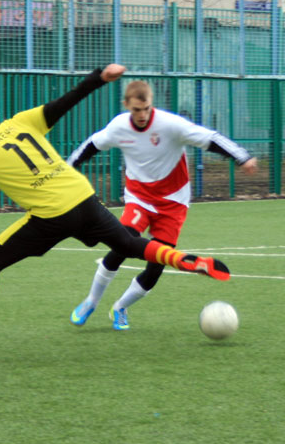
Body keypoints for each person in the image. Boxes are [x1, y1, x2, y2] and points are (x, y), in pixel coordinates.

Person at [0, 65, 231, 362]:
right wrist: (99, 77)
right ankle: (185, 260)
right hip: (84, 196)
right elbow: (66, 101)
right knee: (130, 244)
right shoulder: (21, 121)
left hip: (52, 213)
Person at [68, 79, 257, 331]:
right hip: (139, 197)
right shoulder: (119, 127)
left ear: (151, 104)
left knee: (157, 265)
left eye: (146, 109)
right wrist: (68, 168)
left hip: (174, 202)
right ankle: (91, 301)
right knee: (123, 242)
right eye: (137, 110)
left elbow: (209, 138)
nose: (142, 115)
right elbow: (91, 145)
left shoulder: (170, 124)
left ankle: (120, 307)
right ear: (126, 105)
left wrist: (241, 157)